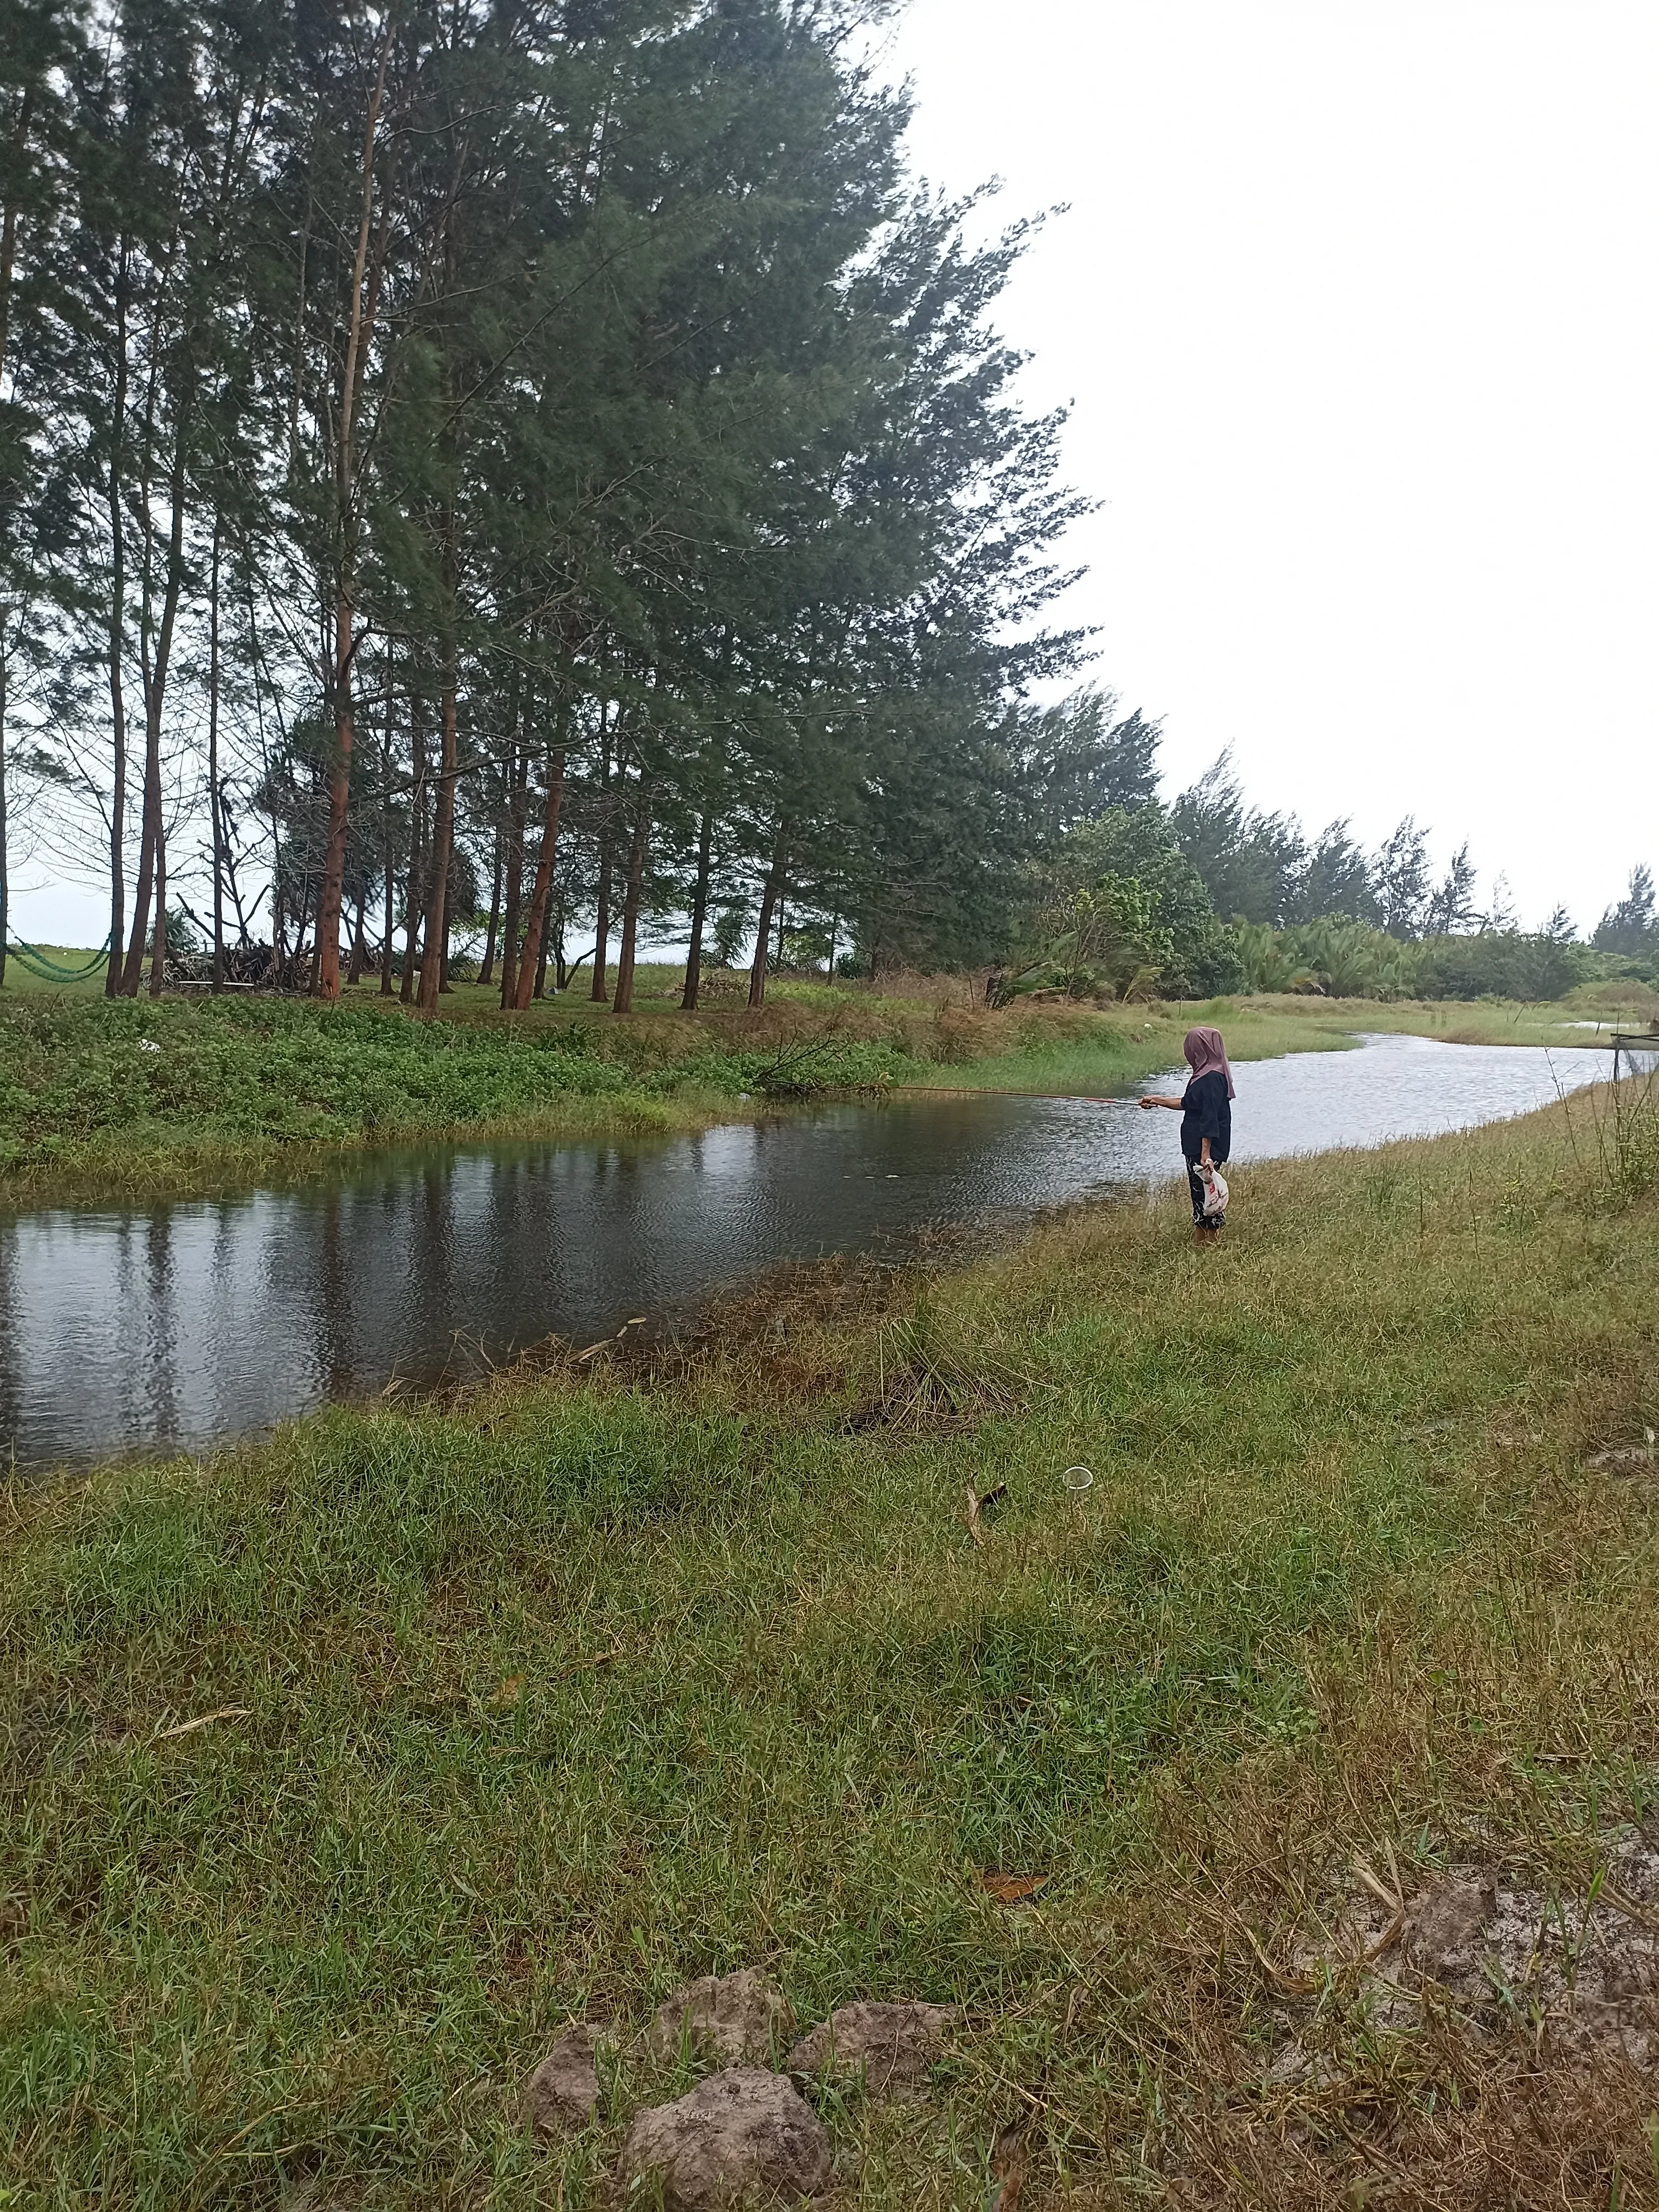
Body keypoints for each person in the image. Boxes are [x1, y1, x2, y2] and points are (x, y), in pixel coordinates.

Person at [1139, 1025, 1234, 1242]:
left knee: (1205, 1192)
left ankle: (1207, 1240)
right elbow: (1188, 1104)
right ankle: (1205, 1238)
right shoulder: (1206, 1075)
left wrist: (1206, 1154)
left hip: (1203, 1149)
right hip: (1197, 1146)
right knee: (1202, 1191)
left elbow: (1209, 1119)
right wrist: (1156, 1100)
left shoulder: (1211, 1078)